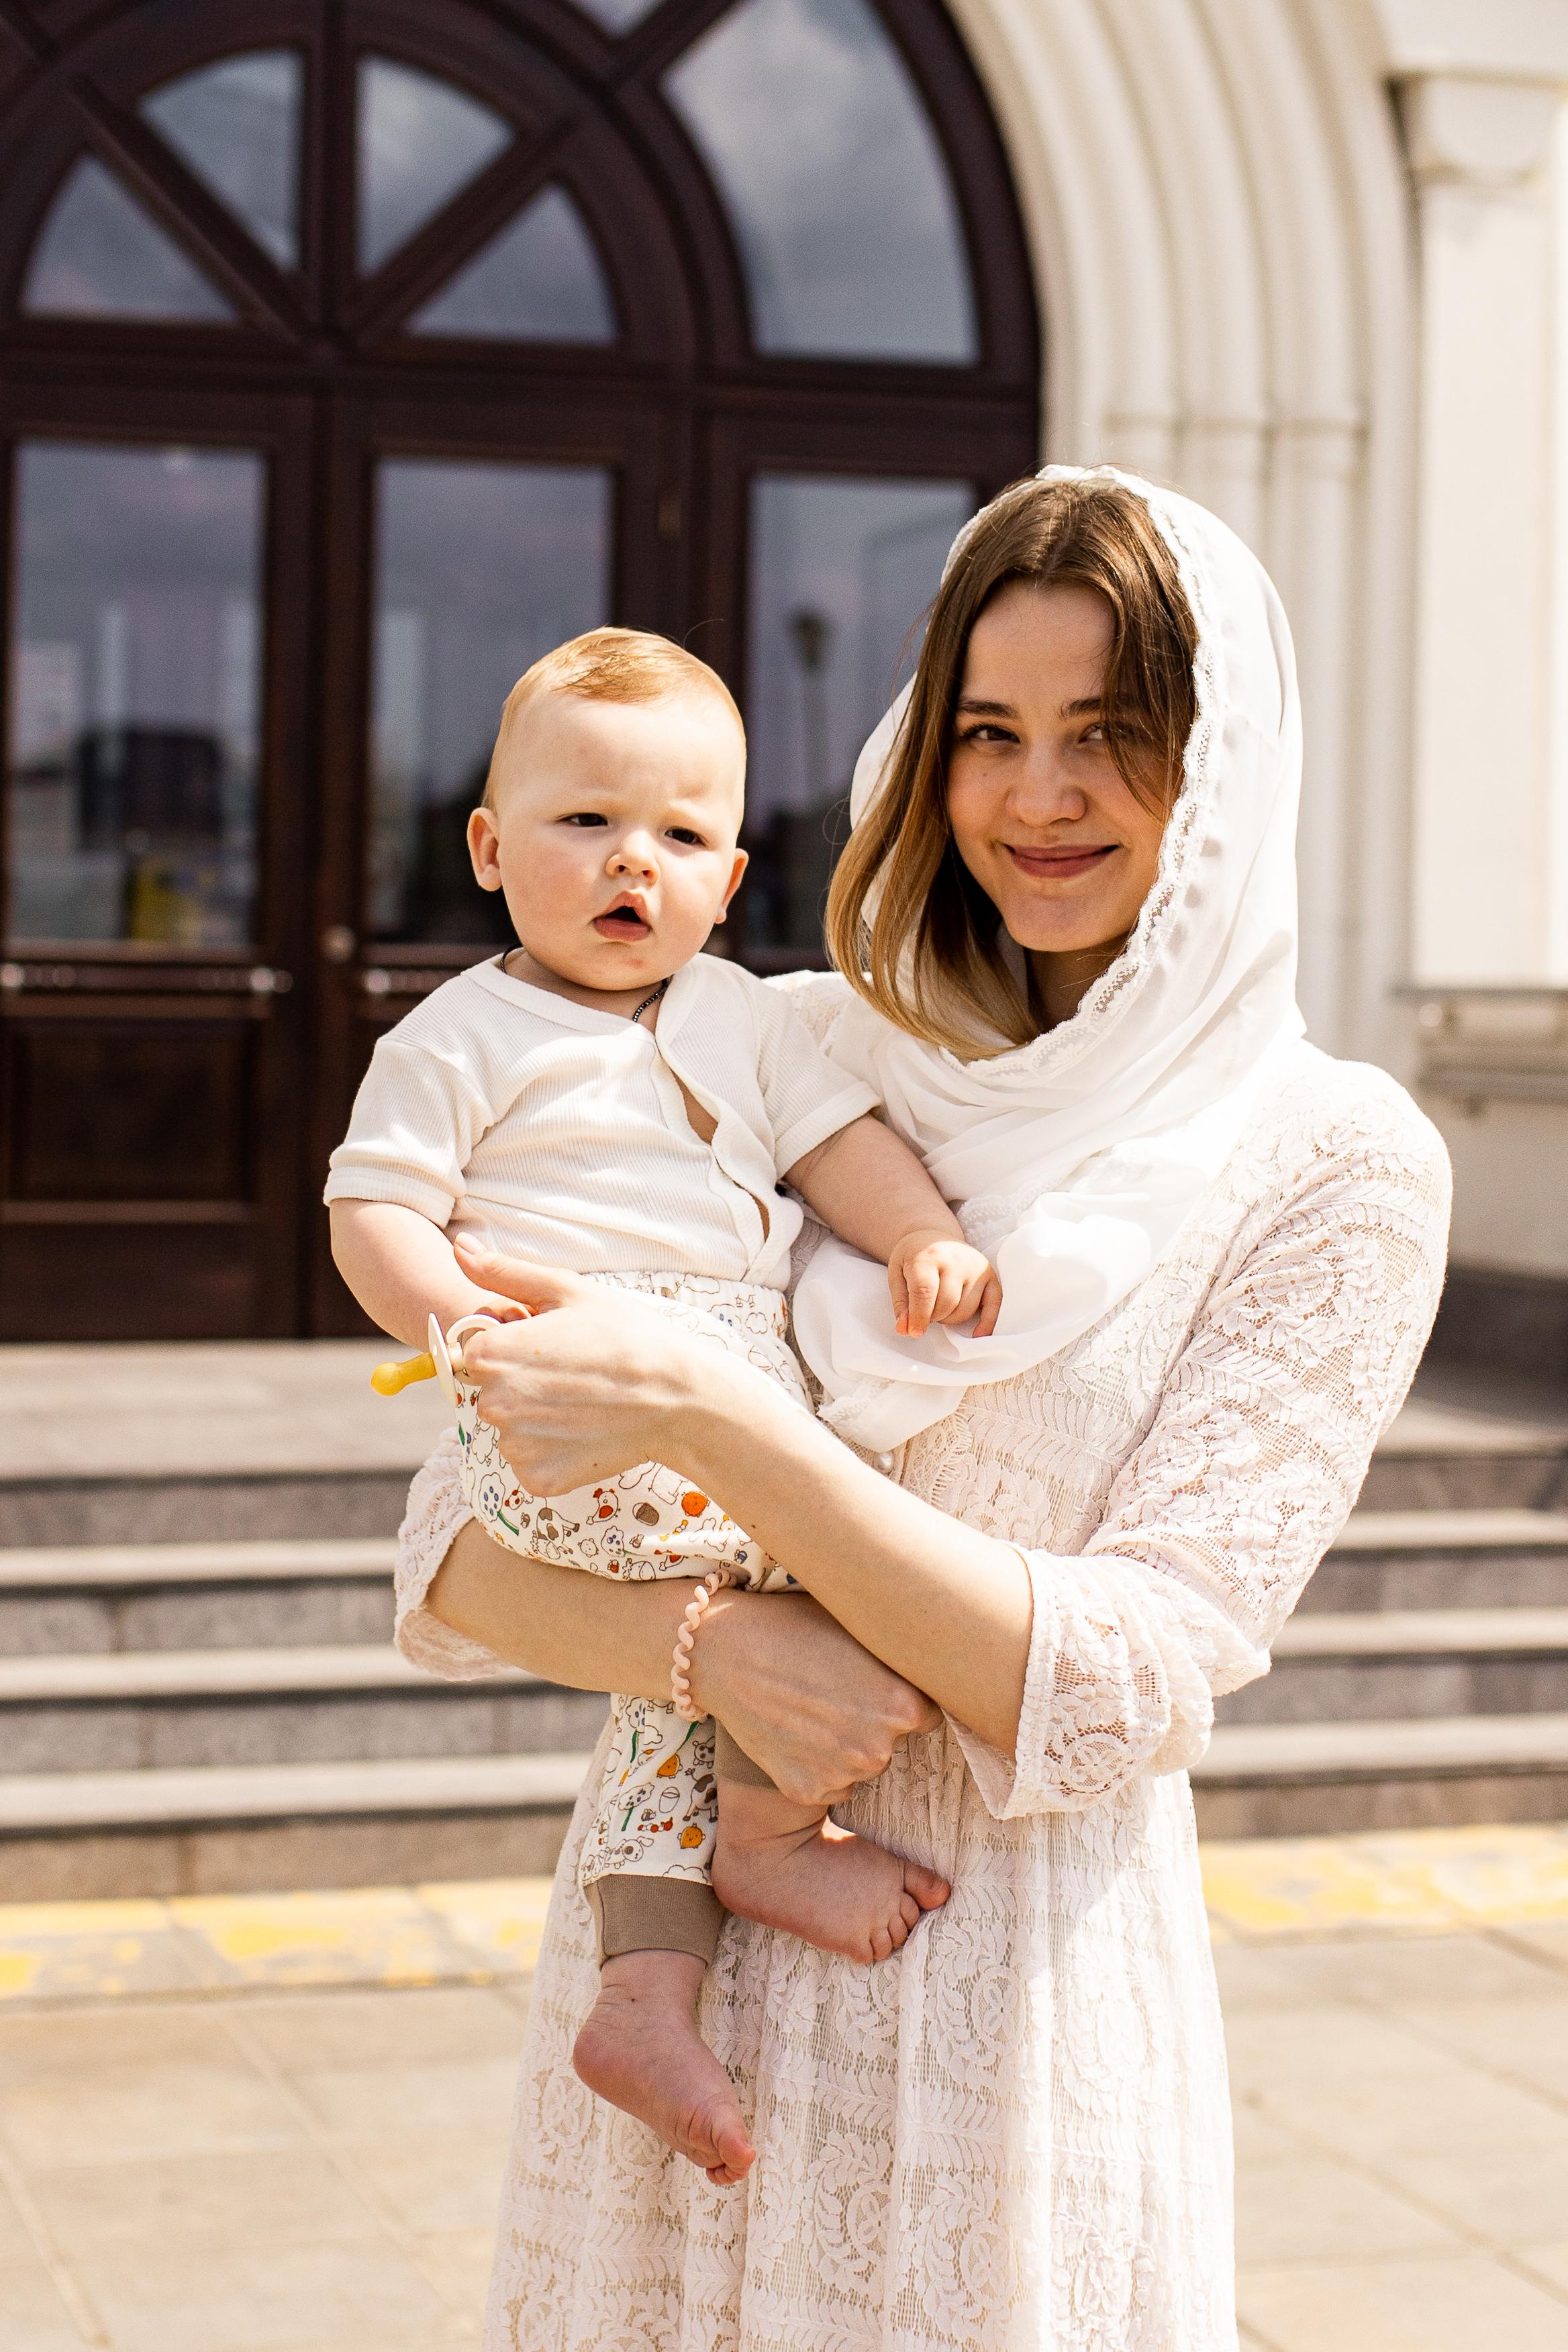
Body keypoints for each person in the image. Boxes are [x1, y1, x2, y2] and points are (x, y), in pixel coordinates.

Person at [393, 469, 1451, 2351]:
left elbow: (1135, 1677)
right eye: (991, 734)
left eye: (1112, 738)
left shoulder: (1333, 1163)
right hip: (671, 1995)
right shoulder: (796, 1049)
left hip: (999, 2051)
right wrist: (714, 1653)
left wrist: (730, 1434)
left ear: (1225, 773)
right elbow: (449, 1549)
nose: (1040, 798)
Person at [326, 626, 995, 2186]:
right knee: (828, 1554)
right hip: (577, 1393)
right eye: (585, 824)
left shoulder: (752, 1020)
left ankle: (643, 1989)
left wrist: (916, 1235)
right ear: (489, 849)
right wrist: (458, 1321)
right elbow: (377, 1212)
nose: (634, 863)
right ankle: (766, 1844)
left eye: (680, 837)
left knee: (677, 1690)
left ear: (731, 871)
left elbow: (840, 1151)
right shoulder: (459, 1036)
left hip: (715, 1391)